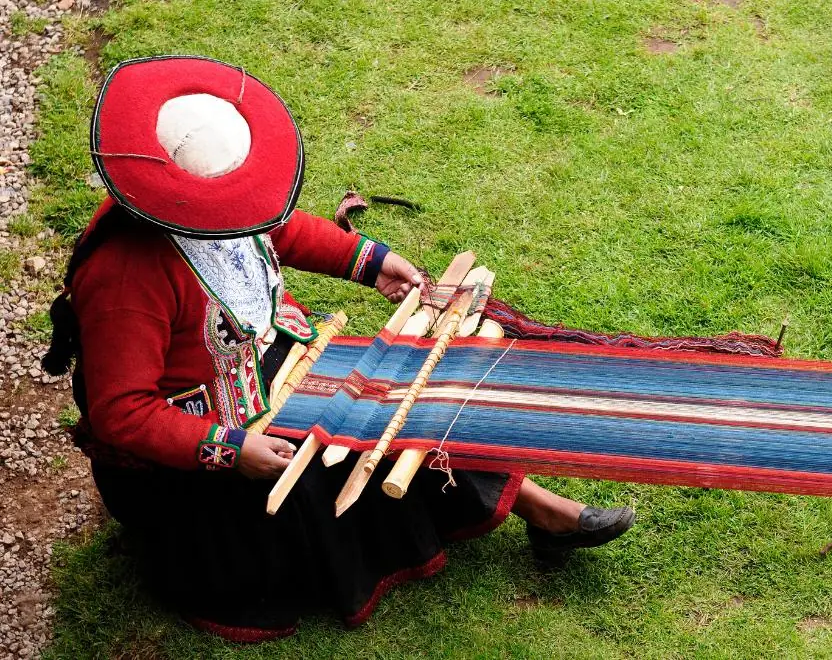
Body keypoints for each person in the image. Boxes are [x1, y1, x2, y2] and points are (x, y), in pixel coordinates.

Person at [43, 55, 634, 641]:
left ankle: (535, 506)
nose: (242, 214)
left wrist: (369, 261)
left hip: (259, 366)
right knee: (355, 437)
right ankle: (537, 511)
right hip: (195, 443)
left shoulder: (214, 208)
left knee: (404, 391)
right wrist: (232, 448)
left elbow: (281, 227)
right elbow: (121, 414)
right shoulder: (125, 277)